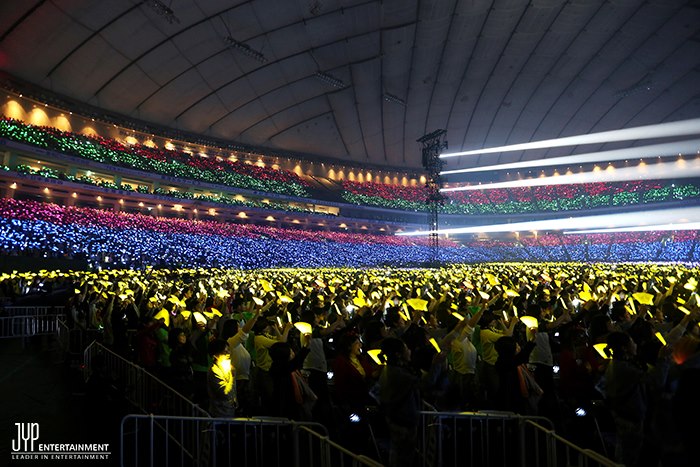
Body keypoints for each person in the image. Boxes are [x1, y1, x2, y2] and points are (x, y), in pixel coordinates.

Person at [603, 331, 671, 467]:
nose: (635, 345)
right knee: (631, 457)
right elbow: (657, 382)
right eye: (632, 342)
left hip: (624, 417)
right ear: (624, 347)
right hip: (630, 421)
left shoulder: (617, 364)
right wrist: (663, 359)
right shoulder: (623, 368)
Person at [378, 337, 422, 467]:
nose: (409, 351)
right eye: (406, 349)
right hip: (403, 423)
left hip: (397, 421)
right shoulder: (398, 374)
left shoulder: (390, 369)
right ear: (398, 354)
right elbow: (423, 384)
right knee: (403, 458)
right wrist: (437, 364)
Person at [269, 333, 313, 420]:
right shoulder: (279, 368)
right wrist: (306, 346)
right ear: (284, 354)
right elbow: (296, 362)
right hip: (285, 407)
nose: (293, 353)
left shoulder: (281, 367)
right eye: (290, 351)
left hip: (286, 406)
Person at [207, 339, 237, 418]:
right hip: (220, 413)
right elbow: (224, 393)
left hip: (229, 410)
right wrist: (232, 377)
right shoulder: (214, 370)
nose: (228, 353)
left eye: (228, 350)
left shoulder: (227, 367)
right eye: (224, 352)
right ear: (215, 355)